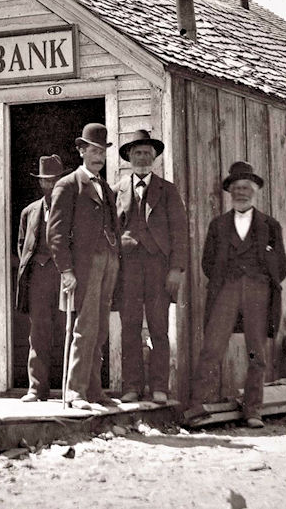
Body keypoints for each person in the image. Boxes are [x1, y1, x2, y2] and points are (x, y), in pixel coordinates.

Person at [185, 161, 286, 429]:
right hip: (226, 291)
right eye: (236, 188)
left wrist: (259, 280)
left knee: (256, 353)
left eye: (246, 188)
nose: (241, 192)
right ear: (230, 192)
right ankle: (197, 406)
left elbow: (281, 266)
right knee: (212, 348)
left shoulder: (270, 225)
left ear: (254, 191)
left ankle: (253, 410)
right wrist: (227, 280)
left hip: (258, 292)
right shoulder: (218, 225)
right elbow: (208, 263)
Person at [48, 123, 121, 410]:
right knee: (85, 327)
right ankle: (75, 391)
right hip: (85, 266)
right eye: (93, 151)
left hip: (108, 262)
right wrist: (66, 270)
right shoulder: (68, 185)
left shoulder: (105, 187)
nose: (98, 157)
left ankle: (94, 389)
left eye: (102, 152)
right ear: (81, 151)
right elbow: (56, 233)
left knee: (100, 329)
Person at [112, 130, 188, 404]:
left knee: (158, 329)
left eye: (147, 153)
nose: (142, 158)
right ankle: (131, 386)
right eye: (137, 153)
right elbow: (109, 232)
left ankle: (159, 388)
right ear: (129, 157)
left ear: (154, 158)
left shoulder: (167, 190)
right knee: (130, 328)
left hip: (158, 269)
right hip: (127, 270)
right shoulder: (116, 191)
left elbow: (180, 232)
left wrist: (176, 269)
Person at [14, 155, 66, 402]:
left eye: (54, 180)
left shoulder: (71, 207)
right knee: (39, 333)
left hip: (66, 276)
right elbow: (22, 246)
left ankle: (72, 388)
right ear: (40, 183)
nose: (50, 185)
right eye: (45, 180)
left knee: (69, 330)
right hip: (39, 280)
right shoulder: (29, 212)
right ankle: (36, 388)